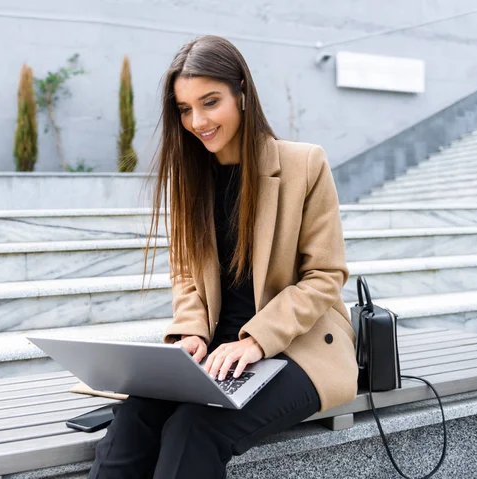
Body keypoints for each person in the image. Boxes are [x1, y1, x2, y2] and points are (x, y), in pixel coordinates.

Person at [88, 34, 358, 479]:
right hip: (216, 353)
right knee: (134, 419)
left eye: (210, 102)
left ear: (243, 95)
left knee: (194, 428)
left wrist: (254, 341)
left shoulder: (304, 164)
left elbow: (324, 275)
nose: (197, 121)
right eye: (184, 109)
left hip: (296, 348)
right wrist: (191, 333)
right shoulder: (191, 176)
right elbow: (186, 272)